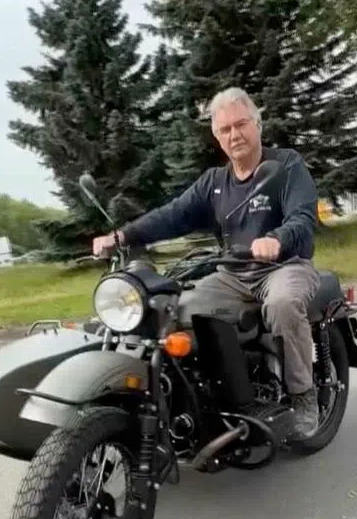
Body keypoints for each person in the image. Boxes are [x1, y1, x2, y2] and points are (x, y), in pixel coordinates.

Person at [91, 86, 322, 440]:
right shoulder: (215, 183)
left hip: (285, 267)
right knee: (175, 310)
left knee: (283, 304)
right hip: (233, 274)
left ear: (257, 124)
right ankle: (211, 399)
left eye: (241, 124)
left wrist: (276, 238)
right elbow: (172, 215)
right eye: (225, 129)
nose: (235, 134)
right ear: (217, 136)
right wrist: (122, 236)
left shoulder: (286, 165)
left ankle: (303, 395)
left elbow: (302, 217)